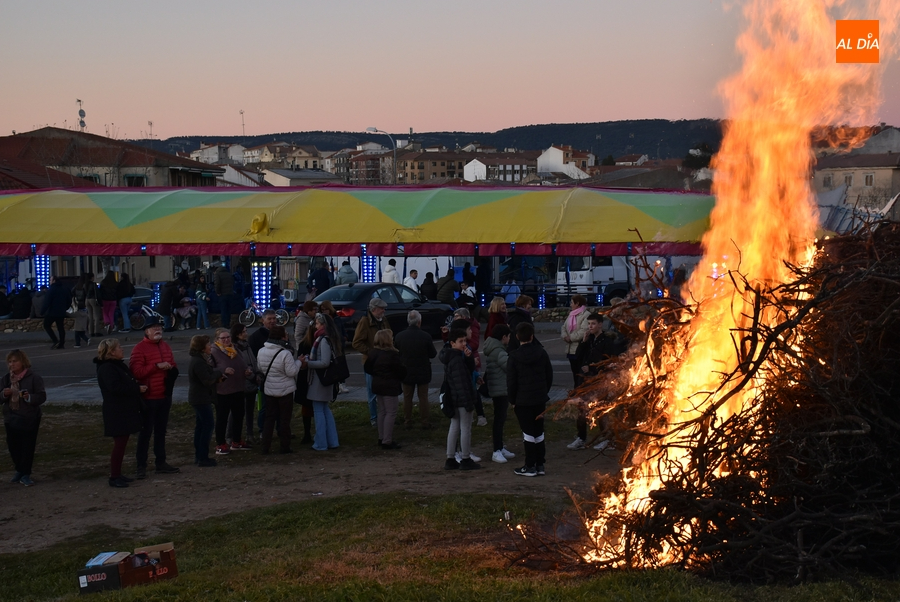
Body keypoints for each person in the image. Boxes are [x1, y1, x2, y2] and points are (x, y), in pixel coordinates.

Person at [569, 313, 630, 451]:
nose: (590, 327)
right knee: (582, 408)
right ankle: (581, 437)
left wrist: (592, 367)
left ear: (600, 324)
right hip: (585, 380)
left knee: (600, 410)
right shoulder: (589, 340)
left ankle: (607, 439)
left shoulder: (606, 341)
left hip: (599, 380)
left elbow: (609, 361)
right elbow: (578, 357)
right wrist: (583, 342)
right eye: (589, 324)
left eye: (593, 324)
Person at [129, 316, 180, 479]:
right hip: (148, 397)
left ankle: (161, 462)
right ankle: (141, 465)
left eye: (159, 327)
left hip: (164, 395)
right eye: (154, 327)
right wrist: (156, 366)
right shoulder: (139, 349)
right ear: (146, 331)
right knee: (145, 433)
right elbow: (136, 372)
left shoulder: (165, 347)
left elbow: (174, 365)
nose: (158, 330)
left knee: (160, 431)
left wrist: (171, 369)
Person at [95, 339, 146, 487]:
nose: (122, 349)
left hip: (123, 409)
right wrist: (136, 389)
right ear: (111, 351)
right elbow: (115, 388)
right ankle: (114, 476)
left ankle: (117, 473)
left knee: (122, 443)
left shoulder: (117, 365)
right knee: (119, 444)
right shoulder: (107, 368)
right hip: (116, 411)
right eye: (119, 347)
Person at [508, 322, 554, 477]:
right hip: (539, 398)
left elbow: (511, 381)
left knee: (528, 433)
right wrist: (543, 392)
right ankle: (540, 463)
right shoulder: (541, 353)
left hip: (522, 400)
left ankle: (529, 465)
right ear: (532, 336)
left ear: (517, 337)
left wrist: (512, 399)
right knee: (539, 431)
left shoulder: (514, 357)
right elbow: (549, 375)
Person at [1, 349, 46, 487]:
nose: (12, 364)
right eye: (10, 362)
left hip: (29, 417)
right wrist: (4, 394)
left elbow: (42, 396)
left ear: (23, 362)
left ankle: (25, 473)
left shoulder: (34, 378)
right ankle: (19, 470)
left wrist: (29, 397)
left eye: (15, 361)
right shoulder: (7, 379)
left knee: (27, 446)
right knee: (13, 446)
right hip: (11, 416)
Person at [441, 328, 480, 470]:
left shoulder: (453, 357)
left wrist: (468, 358)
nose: (464, 344)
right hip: (461, 398)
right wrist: (468, 402)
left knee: (455, 426)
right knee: (465, 428)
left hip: (454, 397)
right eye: (461, 341)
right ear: (452, 343)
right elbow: (461, 382)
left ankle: (450, 457)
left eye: (465, 341)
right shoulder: (456, 359)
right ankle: (465, 458)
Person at [257, 324, 300, 454]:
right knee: (284, 419)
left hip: (270, 389)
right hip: (285, 390)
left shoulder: (261, 351)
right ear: (282, 337)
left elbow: (260, 369)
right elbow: (291, 372)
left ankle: (266, 445)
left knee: (269, 418)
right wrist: (299, 362)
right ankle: (285, 446)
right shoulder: (285, 353)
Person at [352, 297, 392, 426]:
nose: (384, 311)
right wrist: (371, 353)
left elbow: (390, 335)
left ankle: (385, 415)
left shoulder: (384, 320)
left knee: (385, 390)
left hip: (385, 361)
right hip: (371, 362)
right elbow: (356, 342)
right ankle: (374, 417)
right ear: (374, 309)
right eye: (382, 308)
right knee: (372, 392)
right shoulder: (364, 322)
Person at [306, 314, 342, 451]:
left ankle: (321, 442)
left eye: (317, 323)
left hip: (320, 380)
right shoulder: (329, 338)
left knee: (319, 410)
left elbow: (325, 362)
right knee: (325, 409)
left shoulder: (323, 340)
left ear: (322, 325)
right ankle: (332, 441)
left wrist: (308, 363)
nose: (315, 326)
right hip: (324, 379)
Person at [364, 330, 406, 449]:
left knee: (382, 411)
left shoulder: (373, 353)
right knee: (391, 412)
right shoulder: (392, 355)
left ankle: (381, 437)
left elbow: (367, 368)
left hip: (377, 384)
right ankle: (387, 440)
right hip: (390, 385)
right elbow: (401, 371)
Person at [394, 310, 436, 428]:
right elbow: (432, 354)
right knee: (423, 397)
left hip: (406, 371)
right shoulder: (426, 336)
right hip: (423, 370)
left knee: (407, 397)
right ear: (419, 322)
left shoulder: (399, 336)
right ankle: (425, 421)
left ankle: (407, 421)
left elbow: (397, 353)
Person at [210, 328, 248, 454]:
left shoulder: (235, 349)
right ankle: (220, 444)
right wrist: (223, 371)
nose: (226, 340)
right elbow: (209, 371)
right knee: (222, 418)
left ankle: (236, 441)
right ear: (217, 340)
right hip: (223, 391)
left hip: (238, 388)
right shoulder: (213, 352)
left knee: (238, 416)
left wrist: (247, 370)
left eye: (228, 337)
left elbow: (242, 363)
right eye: (223, 338)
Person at [187, 334, 222, 467]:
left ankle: (200, 456)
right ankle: (203, 457)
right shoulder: (198, 362)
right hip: (200, 398)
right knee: (207, 426)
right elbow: (207, 380)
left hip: (199, 398)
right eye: (208, 345)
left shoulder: (199, 360)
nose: (210, 347)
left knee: (201, 426)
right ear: (202, 347)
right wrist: (218, 373)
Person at [484, 324, 516, 464]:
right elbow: (509, 366)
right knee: (499, 419)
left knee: (500, 419)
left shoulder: (493, 348)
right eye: (509, 337)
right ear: (504, 337)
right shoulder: (499, 351)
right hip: (500, 389)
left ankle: (500, 447)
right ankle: (497, 449)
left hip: (497, 388)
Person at [231, 323, 260, 444]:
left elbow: (253, 361)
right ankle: (231, 435)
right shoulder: (235, 348)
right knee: (237, 412)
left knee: (250, 411)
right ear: (237, 334)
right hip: (242, 384)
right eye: (243, 332)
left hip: (251, 382)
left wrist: (256, 373)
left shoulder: (247, 346)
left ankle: (249, 434)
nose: (246, 333)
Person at [561, 294, 591, 387]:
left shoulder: (586, 315)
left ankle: (580, 390)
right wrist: (565, 336)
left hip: (579, 349)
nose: (570, 304)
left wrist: (571, 338)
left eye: (572, 302)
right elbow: (564, 327)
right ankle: (576, 389)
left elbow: (584, 331)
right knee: (574, 372)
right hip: (570, 349)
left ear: (577, 303)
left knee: (580, 373)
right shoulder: (571, 314)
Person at [44, 275, 70, 349]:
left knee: (46, 325)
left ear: (54, 281)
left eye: (50, 280)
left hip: (52, 312)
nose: (49, 281)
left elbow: (47, 302)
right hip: (61, 312)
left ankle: (55, 340)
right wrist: (65, 307)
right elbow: (69, 299)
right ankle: (61, 343)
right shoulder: (64, 289)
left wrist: (42, 311)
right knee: (60, 327)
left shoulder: (51, 290)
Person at [71, 274, 91, 349]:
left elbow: (72, 292)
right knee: (81, 326)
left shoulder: (77, 287)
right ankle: (83, 340)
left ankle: (78, 343)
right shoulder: (86, 287)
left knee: (77, 327)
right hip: (84, 306)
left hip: (78, 306)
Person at [99, 271, 118, 335]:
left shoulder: (103, 283)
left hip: (105, 300)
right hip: (113, 300)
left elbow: (100, 291)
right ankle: (111, 325)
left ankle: (107, 323)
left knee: (105, 312)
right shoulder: (115, 283)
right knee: (111, 313)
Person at [85, 272, 103, 337]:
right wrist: (100, 303)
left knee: (90, 316)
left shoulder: (85, 285)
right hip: (93, 299)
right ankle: (97, 331)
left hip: (87, 300)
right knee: (96, 316)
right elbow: (98, 294)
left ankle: (91, 331)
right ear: (92, 277)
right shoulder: (93, 285)